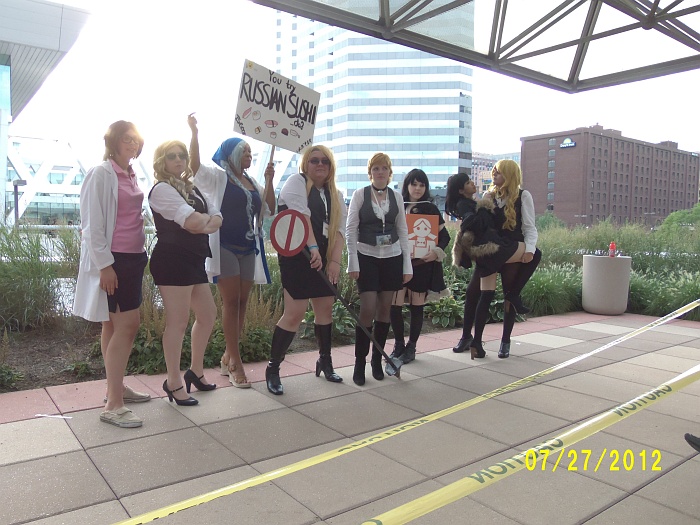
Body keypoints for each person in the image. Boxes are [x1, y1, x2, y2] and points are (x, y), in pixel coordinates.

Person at [73, 121, 150, 428]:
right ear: (114, 141)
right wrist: (104, 265)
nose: (133, 143)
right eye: (126, 139)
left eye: (136, 139)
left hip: (133, 257)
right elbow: (91, 224)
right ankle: (113, 405)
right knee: (129, 325)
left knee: (111, 324)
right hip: (116, 261)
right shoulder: (101, 174)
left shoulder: (129, 174)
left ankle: (114, 388)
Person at [148, 115, 222, 406]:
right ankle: (173, 382)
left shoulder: (192, 188)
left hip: (193, 260)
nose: (179, 159)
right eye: (172, 156)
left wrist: (203, 222)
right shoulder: (161, 190)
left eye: (182, 155)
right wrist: (204, 222)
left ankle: (195, 371)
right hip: (172, 260)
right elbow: (193, 221)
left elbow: (216, 216)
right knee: (177, 323)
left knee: (208, 315)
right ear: (162, 161)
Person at [193, 131, 275, 388]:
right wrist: (194, 133)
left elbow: (270, 208)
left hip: (248, 246)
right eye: (244, 151)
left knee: (242, 302)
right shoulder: (219, 177)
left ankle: (228, 355)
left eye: (251, 151)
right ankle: (235, 364)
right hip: (225, 245)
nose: (249, 154)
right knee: (230, 302)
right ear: (231, 155)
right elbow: (194, 167)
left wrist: (269, 181)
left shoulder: (252, 182)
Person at [265, 145, 347, 395]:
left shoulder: (336, 194)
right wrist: (312, 248)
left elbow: (339, 231)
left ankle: (325, 361)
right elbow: (302, 216)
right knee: (295, 313)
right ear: (305, 164)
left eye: (325, 161)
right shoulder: (296, 182)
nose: (320, 164)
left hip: (324, 255)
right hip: (297, 256)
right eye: (314, 160)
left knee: (325, 309)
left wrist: (334, 262)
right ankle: (273, 368)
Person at [346, 153, 412, 385]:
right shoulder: (360, 195)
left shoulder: (396, 196)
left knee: (385, 309)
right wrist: (352, 261)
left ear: (389, 172)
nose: (380, 172)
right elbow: (351, 229)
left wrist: (407, 264)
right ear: (370, 172)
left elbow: (402, 230)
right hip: (366, 256)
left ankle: (377, 359)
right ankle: (359, 362)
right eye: (376, 168)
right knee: (367, 308)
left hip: (392, 257)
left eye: (384, 168)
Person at [446, 171, 527, 359]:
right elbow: (475, 223)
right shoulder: (467, 204)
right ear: (461, 190)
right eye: (468, 182)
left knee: (485, 294)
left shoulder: (479, 201)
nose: (472, 183)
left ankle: (480, 341)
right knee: (483, 293)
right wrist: (485, 204)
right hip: (491, 250)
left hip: (491, 250)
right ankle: (474, 339)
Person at [389, 169, 450, 364]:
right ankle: (398, 344)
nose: (417, 188)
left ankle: (411, 347)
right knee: (394, 305)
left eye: (422, 185)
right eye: (414, 184)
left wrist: (437, 252)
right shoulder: (397, 206)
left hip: (421, 265)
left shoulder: (430, 209)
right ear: (407, 185)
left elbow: (445, 236)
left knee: (417, 307)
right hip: (398, 264)